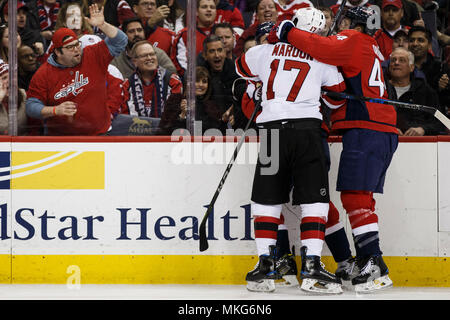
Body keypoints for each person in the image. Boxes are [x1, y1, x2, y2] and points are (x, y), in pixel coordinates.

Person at [267, 5, 398, 292]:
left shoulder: (352, 39)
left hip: (367, 125)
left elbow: (320, 46)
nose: (337, 27)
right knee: (360, 198)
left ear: (352, 23)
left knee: (354, 197)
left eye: (342, 22)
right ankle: (369, 261)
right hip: (375, 128)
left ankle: (373, 262)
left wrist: (288, 32)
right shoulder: (370, 45)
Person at [235, 10, 347, 294]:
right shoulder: (322, 57)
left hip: (272, 133)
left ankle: (265, 266)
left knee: (267, 200)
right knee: (314, 201)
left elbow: (239, 68)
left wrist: (260, 84)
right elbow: (336, 98)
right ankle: (311, 266)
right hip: (306, 131)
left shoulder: (263, 51)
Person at [25, 4, 128, 136]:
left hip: (99, 134)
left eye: (76, 45)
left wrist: (103, 25)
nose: (76, 50)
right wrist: (55, 110)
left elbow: (121, 41)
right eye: (70, 47)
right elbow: (31, 106)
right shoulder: (44, 73)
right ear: (57, 52)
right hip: (61, 138)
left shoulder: (92, 55)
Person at [386, 47, 444, 135]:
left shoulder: (425, 91)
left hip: (420, 144)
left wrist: (423, 129)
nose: (396, 63)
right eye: (393, 60)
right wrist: (387, 128)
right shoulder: (381, 89)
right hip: (386, 140)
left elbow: (439, 122)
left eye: (402, 60)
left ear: (411, 67)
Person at [122, 40, 183, 118]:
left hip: (165, 128)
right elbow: (124, 117)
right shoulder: (127, 85)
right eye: (144, 55)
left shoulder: (172, 81)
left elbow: (175, 113)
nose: (149, 58)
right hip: (135, 128)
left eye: (152, 54)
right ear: (135, 61)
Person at [198, 34, 239, 134]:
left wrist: (236, 113)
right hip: (207, 127)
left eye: (220, 50)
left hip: (234, 126)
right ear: (204, 55)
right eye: (212, 51)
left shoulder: (236, 70)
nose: (217, 55)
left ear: (225, 52)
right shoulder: (199, 74)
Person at [111, 17, 176, 79]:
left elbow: (172, 73)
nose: (136, 34)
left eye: (139, 30)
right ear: (124, 35)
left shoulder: (158, 53)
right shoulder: (117, 58)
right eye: (131, 31)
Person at [172, 0, 217, 78]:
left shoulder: (224, 32)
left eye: (212, 7)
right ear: (196, 12)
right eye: (204, 7)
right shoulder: (185, 34)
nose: (209, 9)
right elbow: (179, 65)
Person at [408, 25, 449, 107]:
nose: (415, 44)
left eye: (420, 40)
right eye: (412, 40)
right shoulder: (400, 67)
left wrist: (443, 88)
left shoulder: (440, 68)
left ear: (429, 45)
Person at [0, 61, 30, 135]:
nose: (9, 81)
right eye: (4, 78)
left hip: (21, 143)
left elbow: (35, 125)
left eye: (12, 77)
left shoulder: (24, 95)